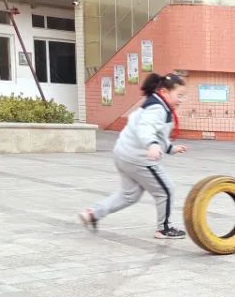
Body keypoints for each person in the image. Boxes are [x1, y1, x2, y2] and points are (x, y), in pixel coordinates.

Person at [80, 73, 188, 239]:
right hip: (139, 158)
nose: (181, 100)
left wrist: (171, 148)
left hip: (123, 154)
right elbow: (146, 128)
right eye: (179, 95)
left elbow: (158, 134)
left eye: (183, 96)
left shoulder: (155, 104)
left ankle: (93, 213)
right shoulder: (157, 108)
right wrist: (151, 144)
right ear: (165, 92)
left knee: (129, 195)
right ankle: (164, 229)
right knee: (166, 191)